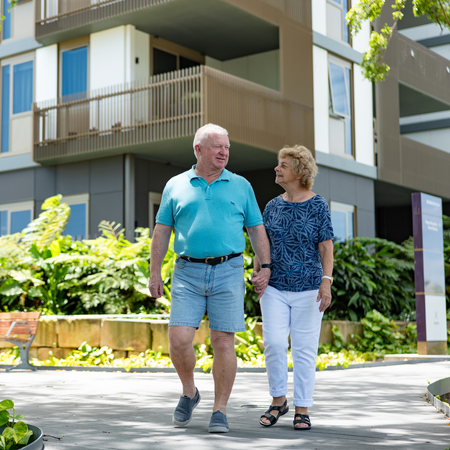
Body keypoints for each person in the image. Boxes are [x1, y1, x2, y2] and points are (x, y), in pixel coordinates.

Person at [148, 123, 271, 433]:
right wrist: (154, 272)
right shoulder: (176, 185)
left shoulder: (240, 185)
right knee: (178, 340)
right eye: (217, 146)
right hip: (187, 271)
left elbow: (256, 229)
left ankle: (220, 410)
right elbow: (162, 230)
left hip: (228, 270)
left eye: (227, 147)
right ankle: (190, 391)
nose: (224, 151)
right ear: (198, 149)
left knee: (223, 342)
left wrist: (265, 266)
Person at [252, 145, 334, 430]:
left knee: (304, 349)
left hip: (310, 288)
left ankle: (302, 408)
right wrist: (258, 272)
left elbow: (326, 246)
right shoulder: (273, 205)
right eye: (278, 163)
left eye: (283, 164)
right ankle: (278, 401)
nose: (277, 168)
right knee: (273, 343)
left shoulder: (318, 205)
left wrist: (327, 283)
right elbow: (263, 242)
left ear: (300, 172)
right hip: (274, 287)